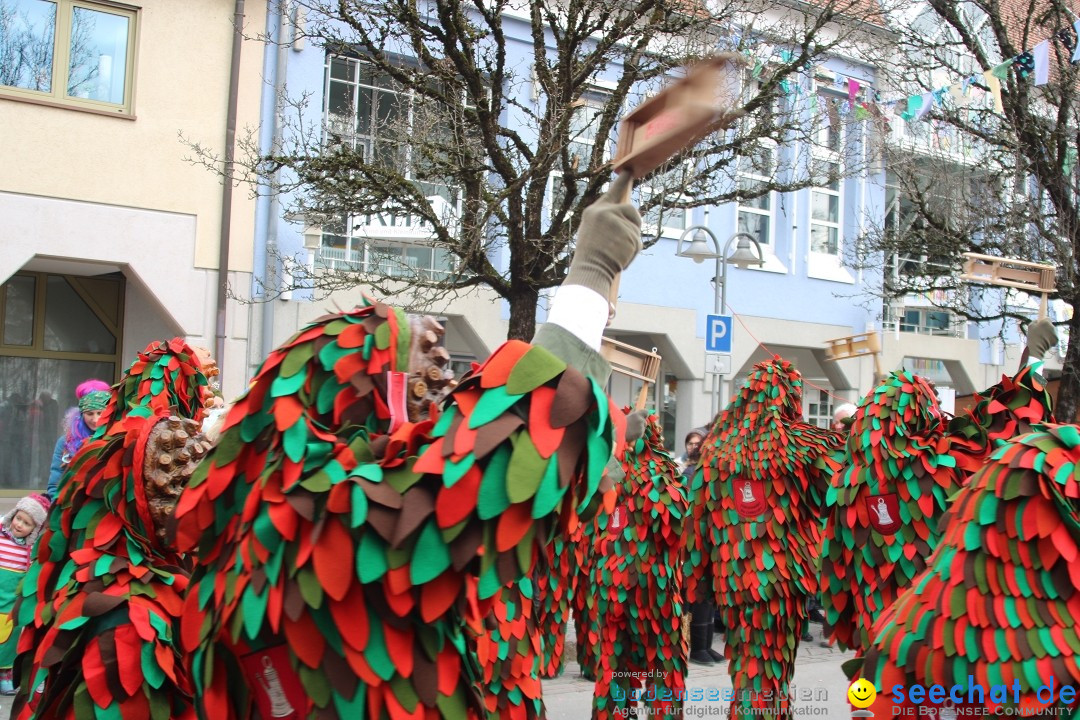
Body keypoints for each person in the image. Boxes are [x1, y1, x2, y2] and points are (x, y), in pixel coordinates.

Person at [170, 172, 643, 719]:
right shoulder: (320, 522)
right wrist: (590, 277)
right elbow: (489, 475)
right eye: (423, 374)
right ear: (360, 403)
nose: (445, 386)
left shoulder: (238, 544)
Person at [0, 494, 49, 695]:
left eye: (27, 523)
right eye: (19, 518)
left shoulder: (30, 549)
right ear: (13, 515)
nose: (20, 525)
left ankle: (5, 673)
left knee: (8, 640)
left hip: (11, 603)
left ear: (35, 529)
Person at [45, 379, 111, 500]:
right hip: (69, 505)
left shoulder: (116, 439)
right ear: (81, 414)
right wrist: (57, 508)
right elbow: (55, 482)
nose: (95, 419)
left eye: (100, 413)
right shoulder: (65, 442)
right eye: (90, 414)